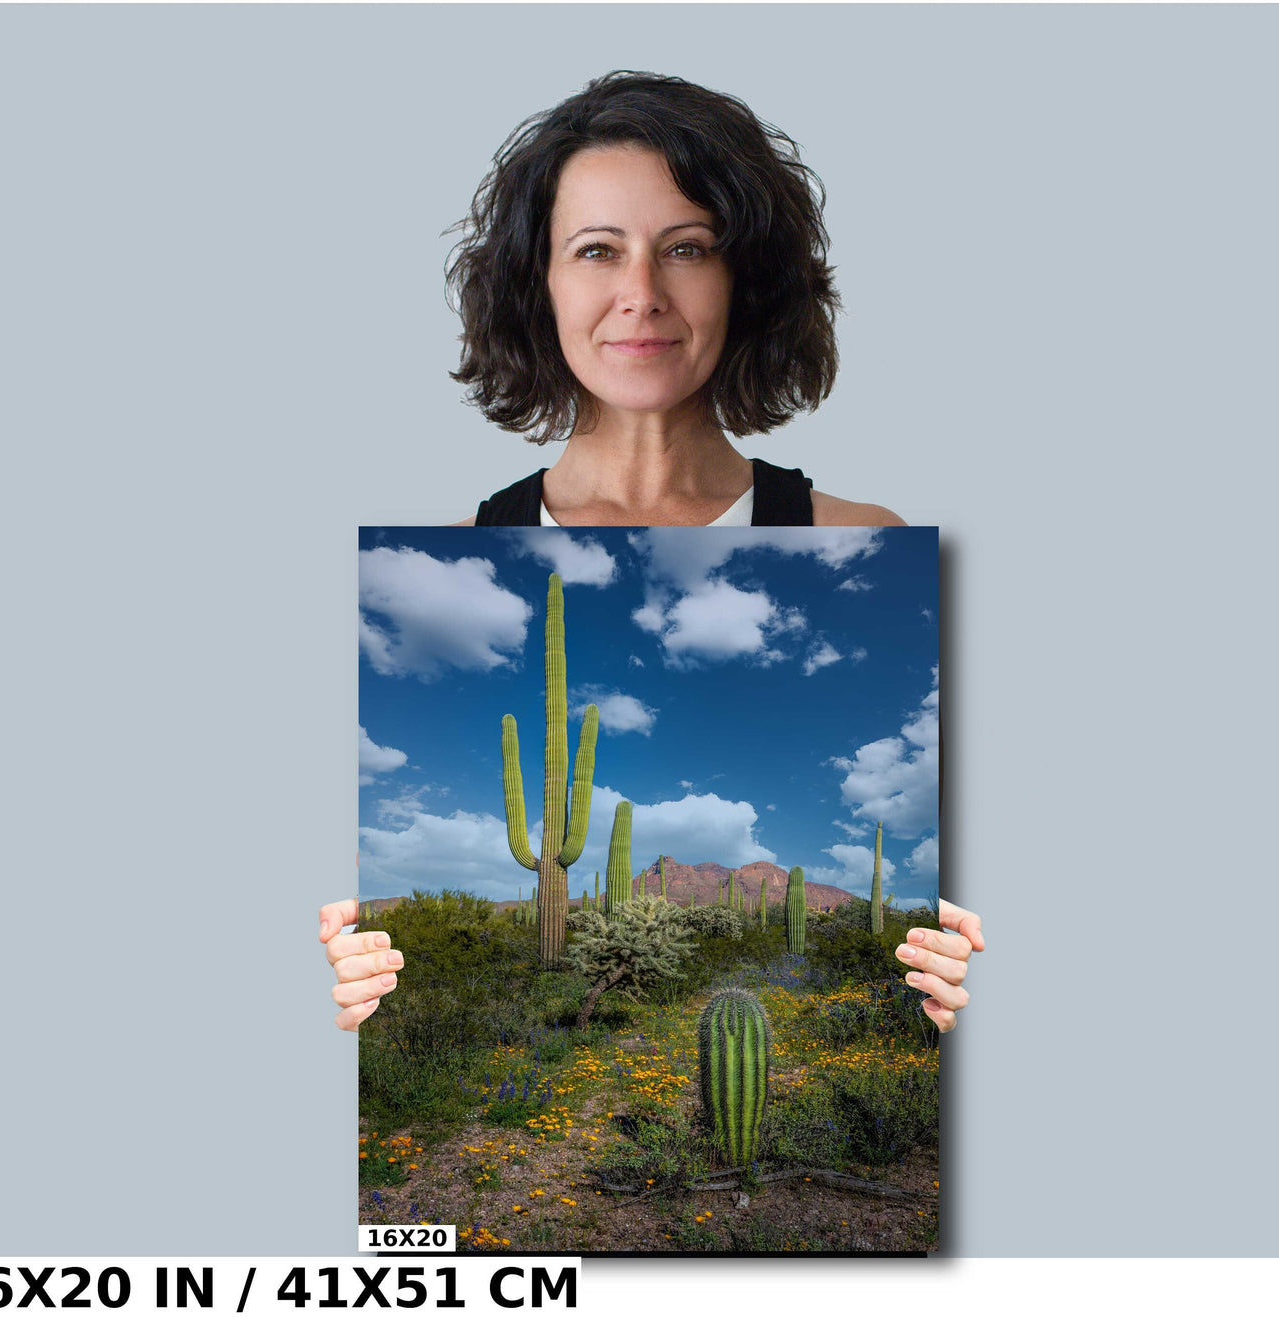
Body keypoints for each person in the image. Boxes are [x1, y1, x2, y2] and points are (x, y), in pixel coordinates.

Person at [326, 71, 984, 1028]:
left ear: (744, 279)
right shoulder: (460, 544)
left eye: (687, 248)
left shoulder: (862, 535)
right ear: (537, 282)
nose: (640, 294)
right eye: (596, 250)